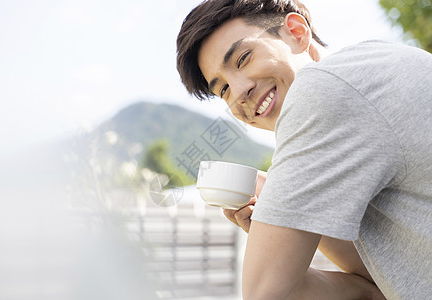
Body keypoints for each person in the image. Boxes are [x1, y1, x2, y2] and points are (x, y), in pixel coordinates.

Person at [176, 0, 432, 299]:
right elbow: (380, 285)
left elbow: (264, 295)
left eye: (243, 58)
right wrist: (291, 209)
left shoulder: (321, 90)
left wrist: (275, 245)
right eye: (223, 90)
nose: (239, 92)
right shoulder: (369, 66)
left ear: (296, 33)